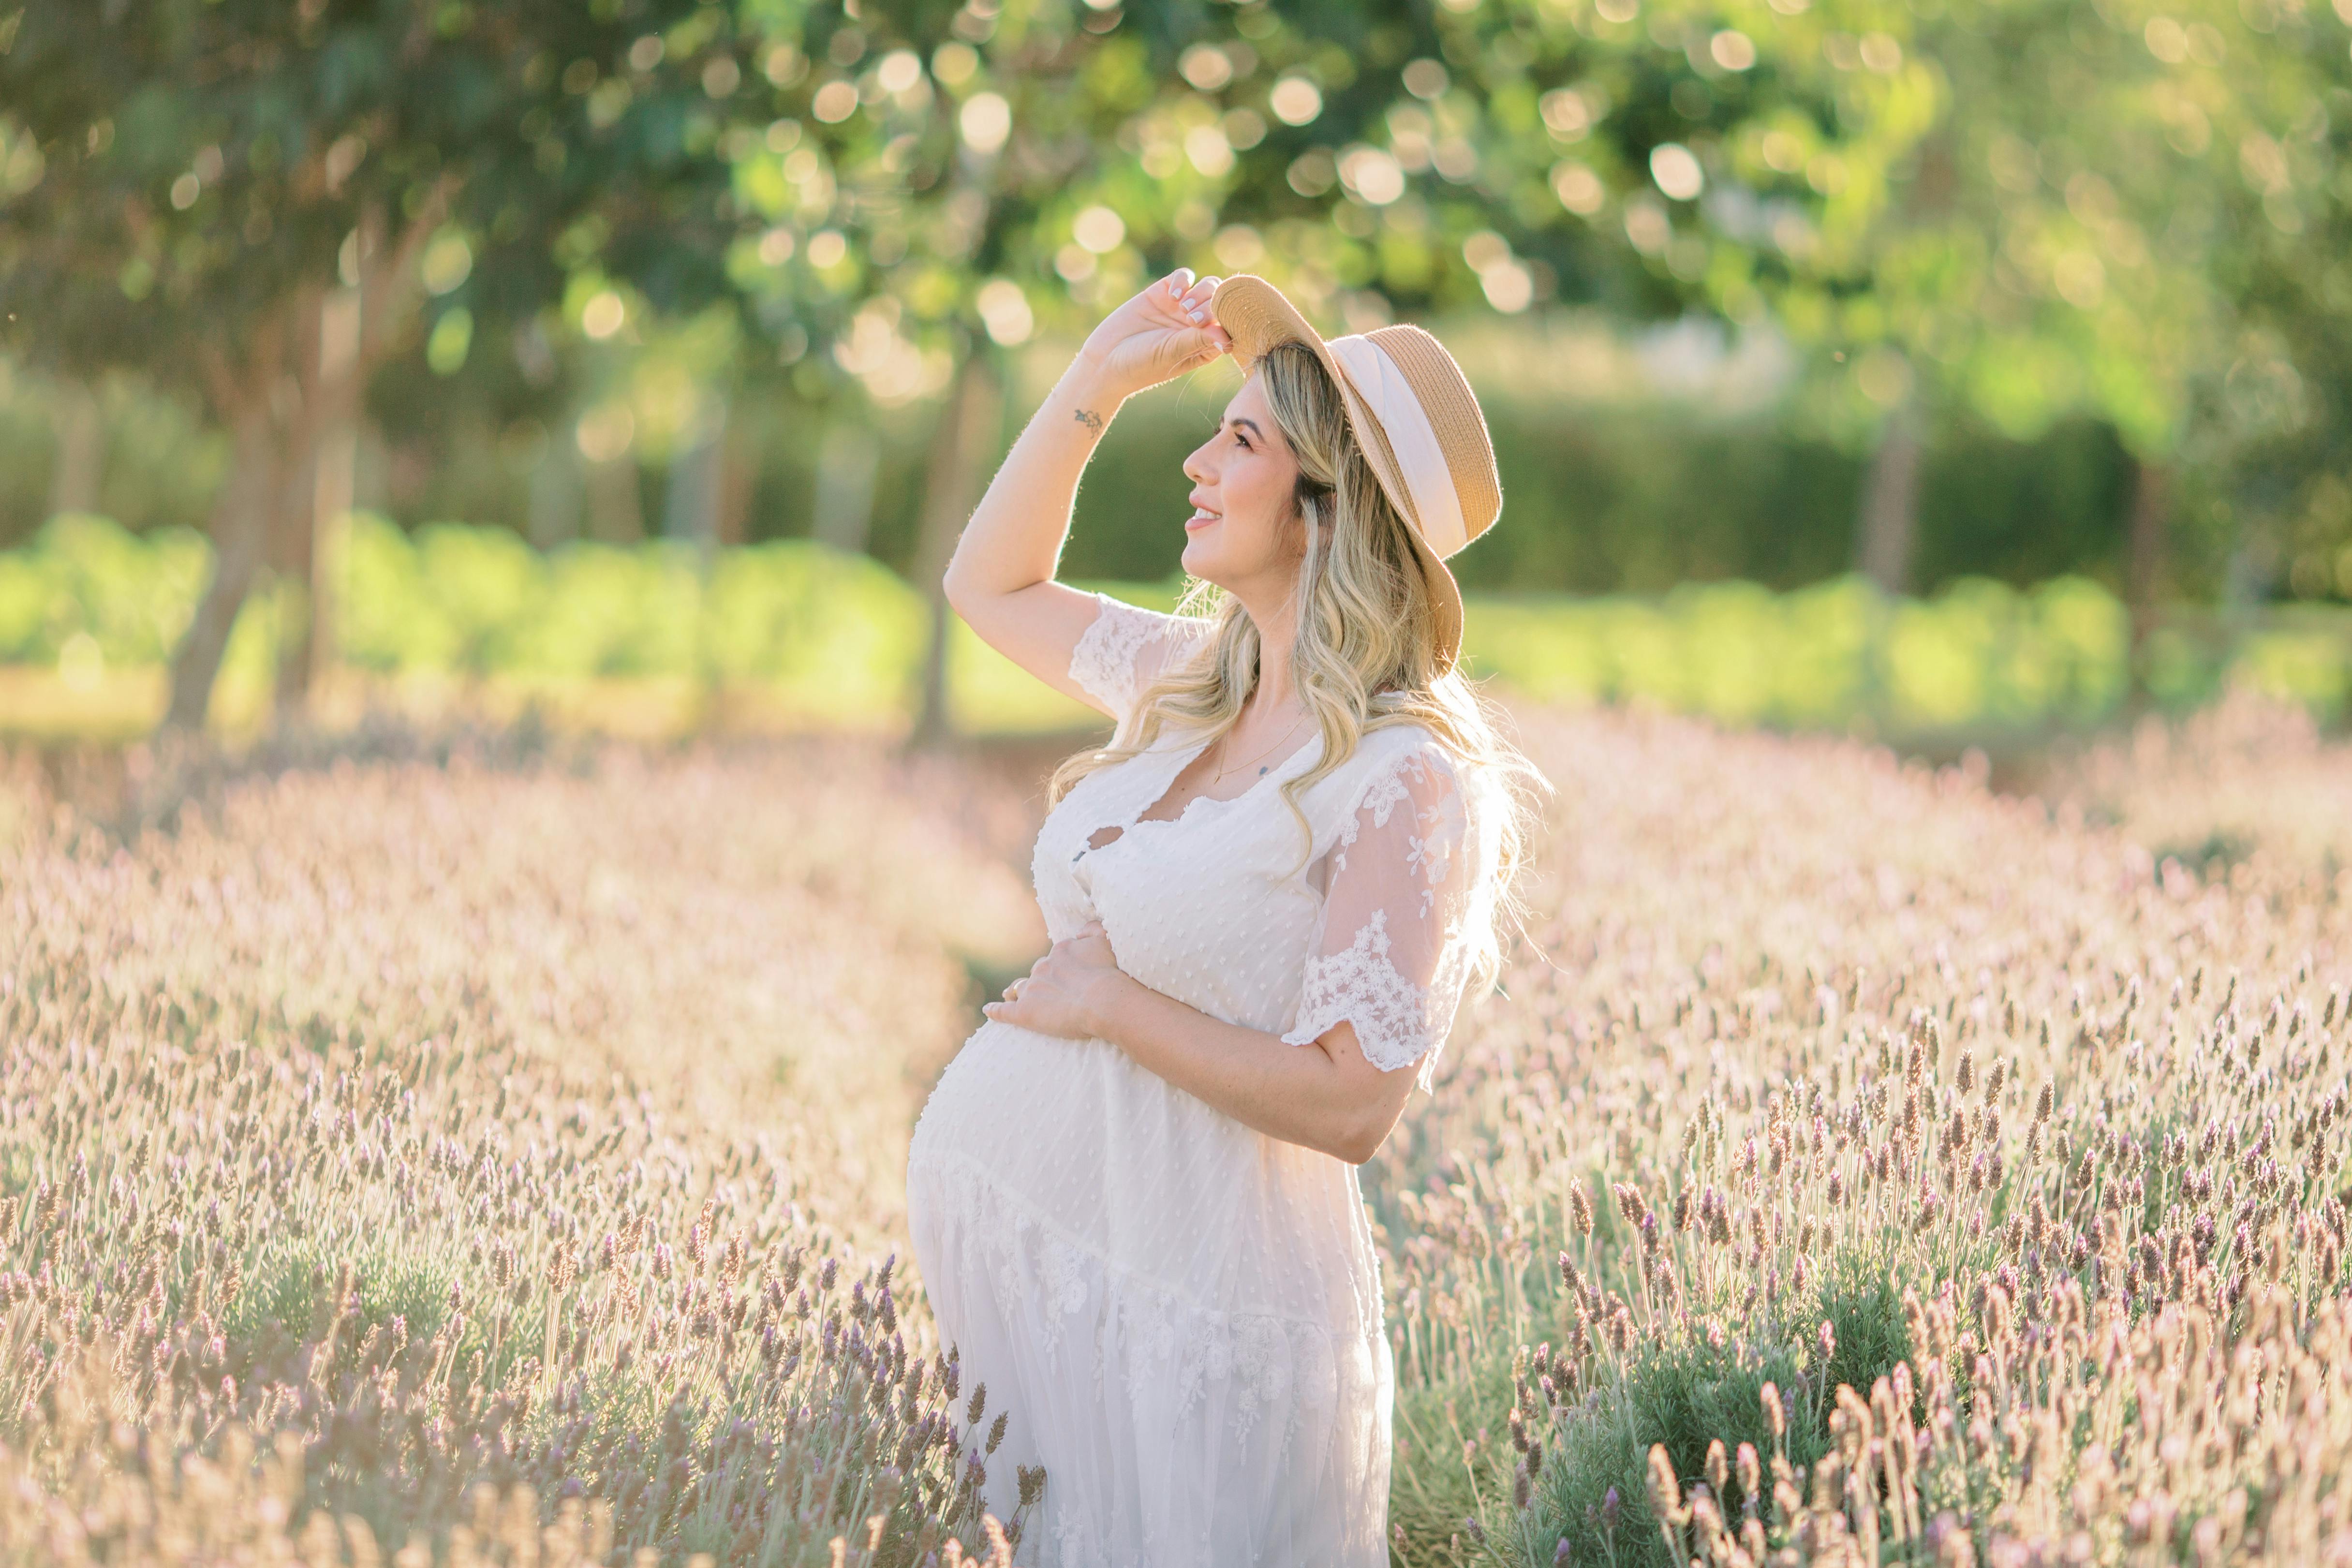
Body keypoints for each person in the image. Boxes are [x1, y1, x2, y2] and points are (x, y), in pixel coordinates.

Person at [904, 266, 1547, 1564]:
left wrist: (1107, 1006)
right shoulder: (1194, 679)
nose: (1199, 461)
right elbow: (992, 586)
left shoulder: (1405, 776)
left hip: (1202, 1344)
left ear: (1328, 504)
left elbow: (1353, 1104)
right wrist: (1094, 378)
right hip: (1075, 1323)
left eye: (1241, 438)